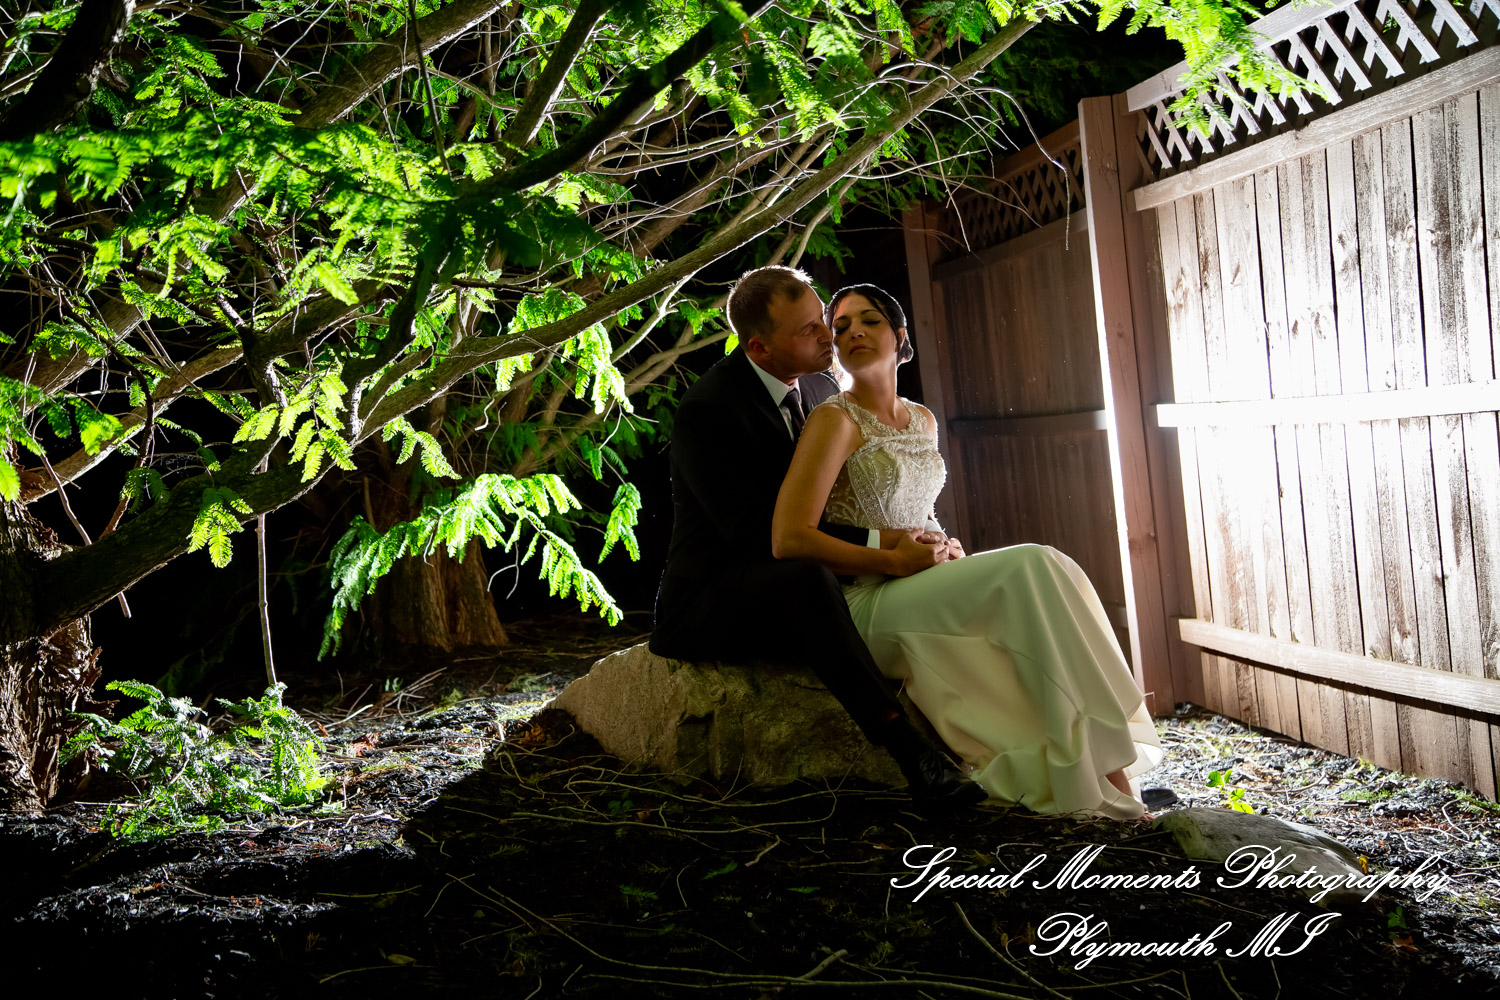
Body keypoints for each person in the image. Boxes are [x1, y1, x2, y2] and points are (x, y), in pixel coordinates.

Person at [771, 282, 1165, 820]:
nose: (853, 331)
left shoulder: (923, 420)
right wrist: (891, 560)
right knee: (1033, 563)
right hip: (870, 600)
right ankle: (1108, 777)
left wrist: (943, 539)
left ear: (900, 337)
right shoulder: (834, 421)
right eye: (840, 327)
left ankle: (1102, 769)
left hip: (924, 582)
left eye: (870, 320)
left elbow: (916, 508)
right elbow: (790, 537)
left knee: (1052, 574)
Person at [651, 265, 988, 814]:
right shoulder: (709, 411)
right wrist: (884, 547)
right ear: (759, 348)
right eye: (809, 331)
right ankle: (911, 754)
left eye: (821, 319)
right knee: (805, 577)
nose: (829, 337)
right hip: (714, 595)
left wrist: (920, 544)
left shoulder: (819, 383)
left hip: (805, 573)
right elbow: (760, 535)